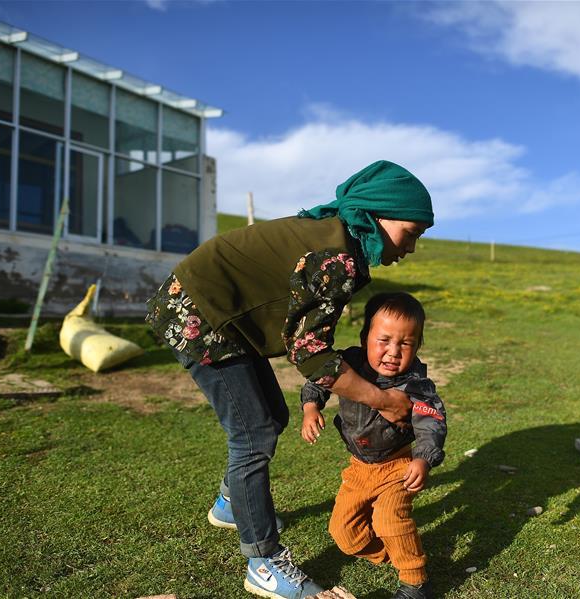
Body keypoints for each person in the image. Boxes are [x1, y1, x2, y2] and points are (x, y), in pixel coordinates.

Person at [145, 160, 433, 599]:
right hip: (202, 315)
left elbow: (306, 337)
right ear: (378, 215)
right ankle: (262, 561)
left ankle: (230, 504)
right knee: (253, 435)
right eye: (411, 233)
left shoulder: (340, 239)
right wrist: (382, 400)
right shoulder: (338, 257)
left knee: (272, 414)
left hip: (219, 316)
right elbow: (309, 352)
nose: (411, 247)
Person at [300, 292, 447, 599]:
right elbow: (318, 379)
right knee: (344, 535)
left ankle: (415, 581)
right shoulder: (348, 363)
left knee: (389, 519)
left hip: (398, 466)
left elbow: (431, 419)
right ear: (365, 336)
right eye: (384, 340)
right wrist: (311, 408)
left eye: (405, 343)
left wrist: (423, 458)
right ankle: (398, 553)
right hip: (359, 468)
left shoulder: (415, 382)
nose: (393, 352)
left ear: (417, 345)